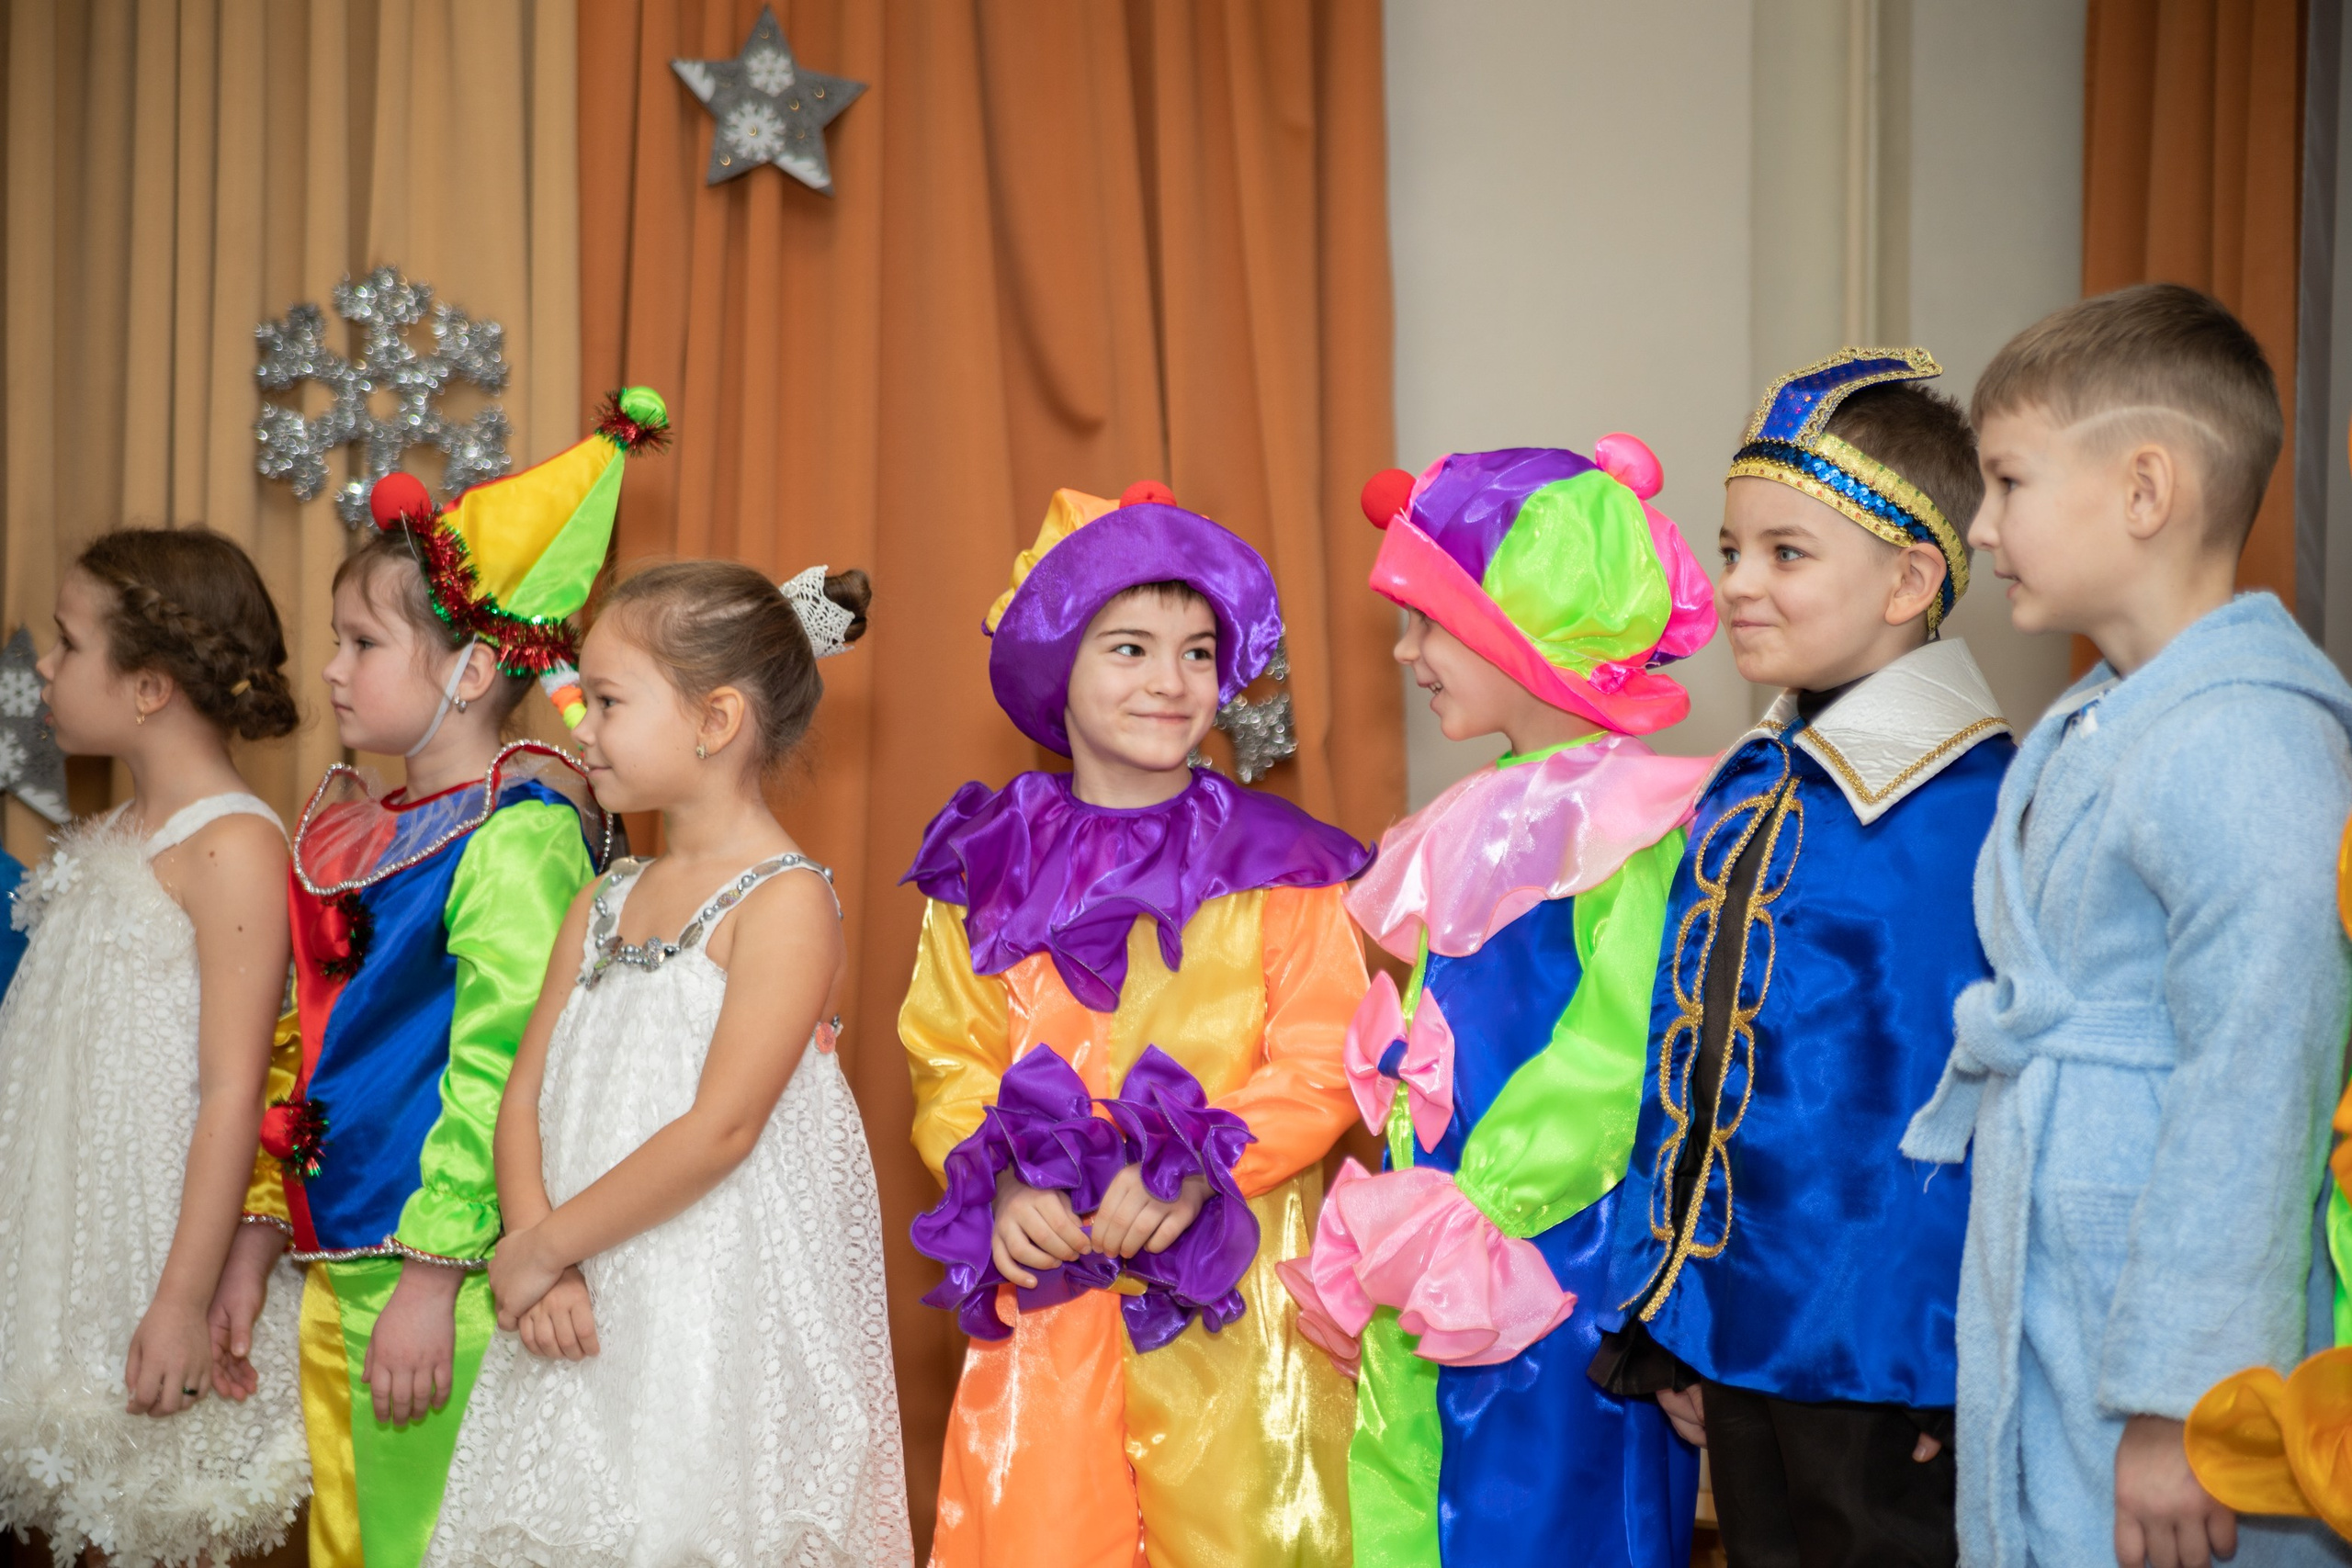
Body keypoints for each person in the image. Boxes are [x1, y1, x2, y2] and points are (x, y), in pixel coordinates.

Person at [1900, 283, 2352, 1568]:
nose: (1982, 527)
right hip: (2068, 1281)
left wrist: (2188, 1404)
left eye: (2005, 481)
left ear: (2145, 489)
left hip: (2162, 1353)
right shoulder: (2110, 711)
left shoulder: (2252, 741)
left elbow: (2260, 1081)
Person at [211, 392, 669, 1568]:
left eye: (363, 644)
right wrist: (260, 1237)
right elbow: (301, 1045)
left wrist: (431, 1276)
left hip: (437, 1276)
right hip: (339, 1259)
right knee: (353, 1540)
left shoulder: (513, 834)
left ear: (471, 673)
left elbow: (502, 1060)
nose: (330, 669)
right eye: (335, 639)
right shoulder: (373, 823)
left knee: (414, 1543)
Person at [901, 482, 1373, 1568]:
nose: (1172, 682)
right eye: (1129, 649)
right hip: (1051, 1305)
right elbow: (947, 1057)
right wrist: (1000, 1181)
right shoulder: (982, 870)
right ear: (1054, 668)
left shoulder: (1285, 863)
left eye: (1199, 652)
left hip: (1235, 1303)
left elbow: (1325, 1057)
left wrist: (1203, 1166)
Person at [1593, 349, 2010, 1568]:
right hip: (1744, 1330)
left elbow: (1992, 1101)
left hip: (1889, 1364)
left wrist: (1955, 1363)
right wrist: (1676, 1307)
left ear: (1909, 576)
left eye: (1785, 552)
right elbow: (1699, 1053)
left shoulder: (1973, 808)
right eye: (1729, 549)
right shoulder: (1761, 775)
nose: (1735, 584)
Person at [1276, 437, 1716, 1567]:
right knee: (1432, 1509)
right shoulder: (1481, 811)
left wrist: (1481, 1203)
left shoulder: (1637, 820)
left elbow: (1621, 1048)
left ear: (1523, 623)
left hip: (1558, 1262)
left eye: (1428, 620)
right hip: (1457, 1256)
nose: (1404, 649)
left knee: (1548, 1519)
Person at [424, 560, 913, 1566]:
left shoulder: (783, 903)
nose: (579, 728)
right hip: (578, 1292)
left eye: (606, 702)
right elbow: (527, 1090)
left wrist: (551, 1243)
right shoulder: (600, 897)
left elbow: (722, 1128)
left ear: (715, 719)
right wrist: (535, 1247)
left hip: (705, 1304)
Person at [0, 529, 309, 1562]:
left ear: (147, 688)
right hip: (62, 1242)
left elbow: (234, 1091)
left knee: (145, 1524)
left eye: (67, 642)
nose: (44, 665)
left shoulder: (234, 845)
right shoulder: (116, 830)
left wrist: (179, 1301)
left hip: (151, 1255)